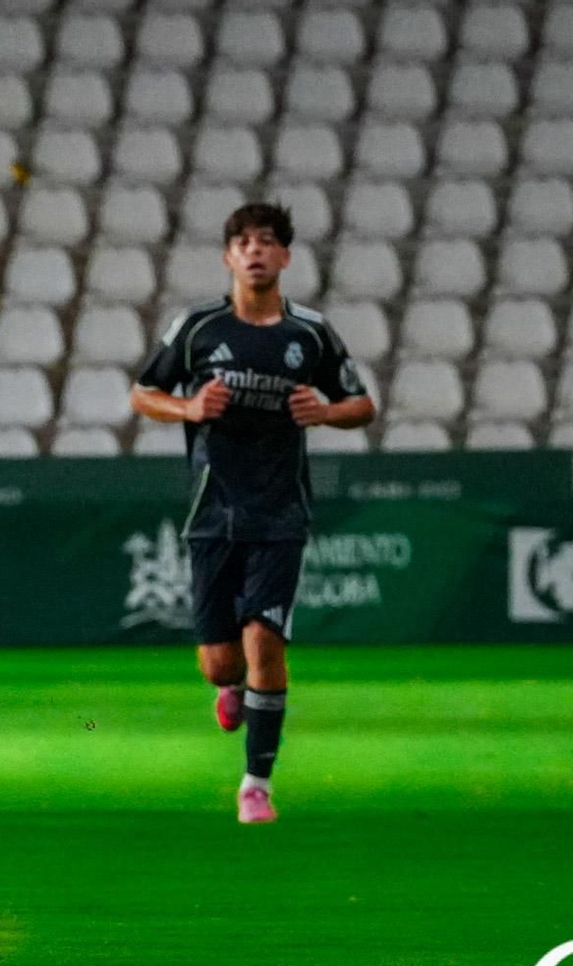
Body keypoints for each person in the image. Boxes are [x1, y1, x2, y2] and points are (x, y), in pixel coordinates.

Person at [128, 202, 377, 824]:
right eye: (243, 242)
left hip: (280, 511)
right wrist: (188, 409)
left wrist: (327, 411)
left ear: (285, 256)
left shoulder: (309, 333)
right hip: (212, 511)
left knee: (265, 640)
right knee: (220, 660)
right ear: (228, 257)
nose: (255, 251)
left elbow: (362, 404)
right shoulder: (197, 328)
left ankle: (255, 784)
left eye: (266, 242)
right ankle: (230, 687)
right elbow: (143, 392)